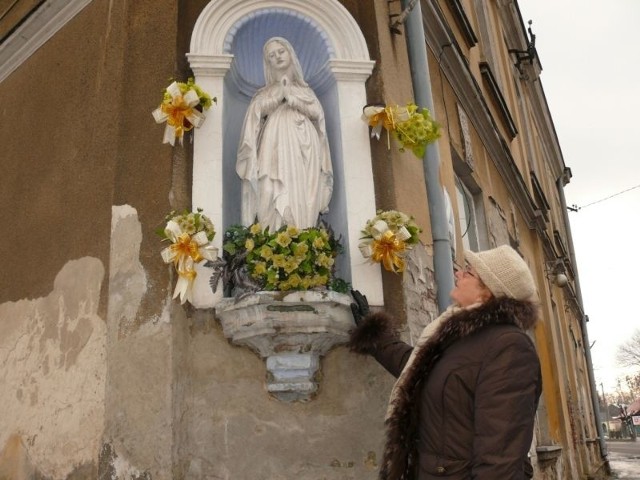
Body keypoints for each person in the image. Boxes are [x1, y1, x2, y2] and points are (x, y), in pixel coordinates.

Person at [348, 244, 542, 479]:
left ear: (488, 291)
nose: (458, 273)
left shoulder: (509, 348)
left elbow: (500, 456)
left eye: (469, 272)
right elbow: (420, 369)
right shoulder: (462, 335)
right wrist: (376, 337)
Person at [236, 37, 333, 231]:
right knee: (269, 188)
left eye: (281, 51)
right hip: (273, 145)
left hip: (304, 145)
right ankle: (271, 236)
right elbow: (254, 117)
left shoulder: (305, 90)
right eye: (271, 55)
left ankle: (303, 233)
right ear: (267, 62)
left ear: (290, 54)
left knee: (302, 190)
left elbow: (318, 116)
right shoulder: (265, 93)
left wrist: (292, 97)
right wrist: (278, 96)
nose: (277, 57)